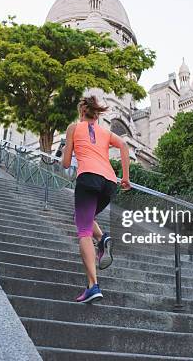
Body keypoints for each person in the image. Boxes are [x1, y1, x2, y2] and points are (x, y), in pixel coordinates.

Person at [61, 95, 131, 304]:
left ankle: (93, 286)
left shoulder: (73, 128)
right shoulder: (105, 132)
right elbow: (125, 148)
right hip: (109, 183)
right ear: (97, 115)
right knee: (82, 217)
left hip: (88, 179)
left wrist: (70, 149)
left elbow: (65, 164)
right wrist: (125, 178)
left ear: (82, 112)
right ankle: (103, 239)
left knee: (83, 231)